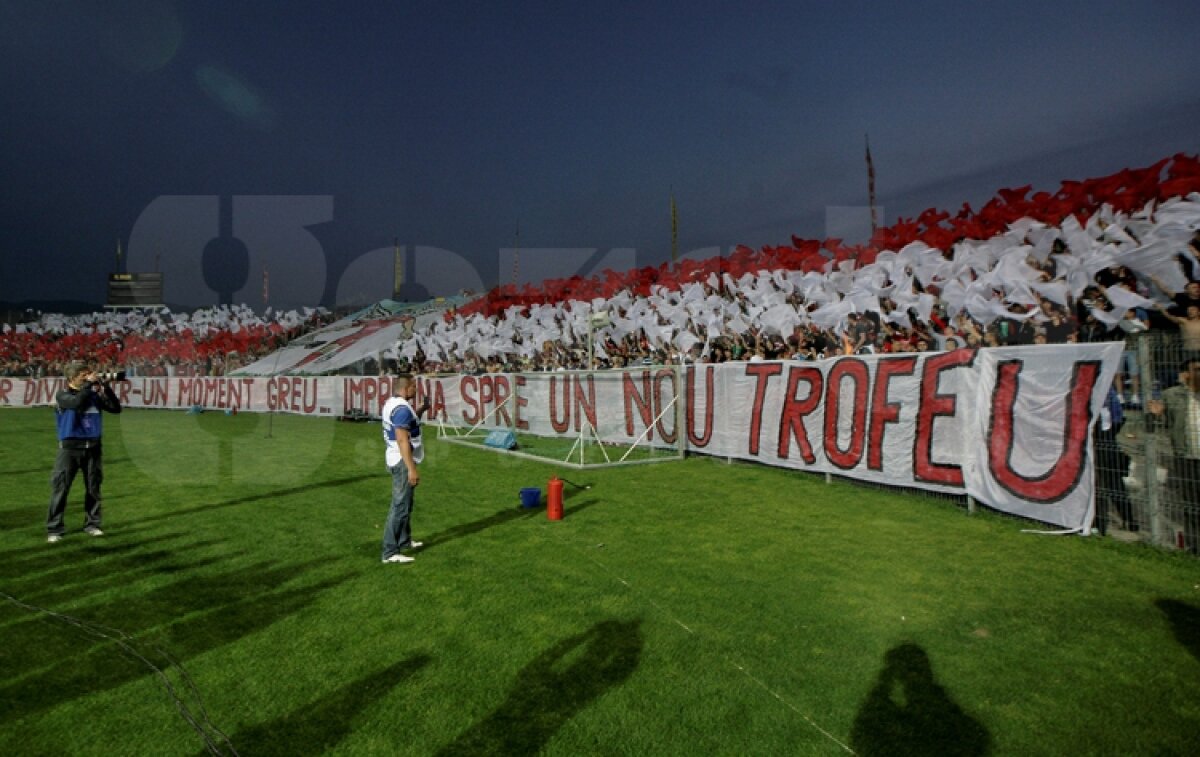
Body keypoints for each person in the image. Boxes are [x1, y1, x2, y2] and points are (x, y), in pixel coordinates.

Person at [46, 361, 122, 543]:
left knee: (93, 488)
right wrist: (89, 385)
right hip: (70, 449)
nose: (88, 377)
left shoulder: (93, 395)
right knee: (61, 488)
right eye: (83, 375)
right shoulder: (62, 395)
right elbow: (76, 402)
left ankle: (93, 524)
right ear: (72, 377)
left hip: (93, 447)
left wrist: (105, 387)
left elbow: (115, 408)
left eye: (88, 374)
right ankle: (55, 528)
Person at [1146, 358, 1200, 551]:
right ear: (1186, 374)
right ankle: (1195, 547)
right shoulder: (1173, 395)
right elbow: (1167, 426)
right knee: (1191, 505)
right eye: (1197, 370)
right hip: (1187, 458)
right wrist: (1159, 415)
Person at [380, 375, 428, 564]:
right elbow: (402, 439)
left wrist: (422, 409)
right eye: (414, 386)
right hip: (402, 461)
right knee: (400, 506)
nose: (416, 390)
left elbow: (409, 424)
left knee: (405, 504)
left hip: (396, 457)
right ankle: (390, 552)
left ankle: (404, 540)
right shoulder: (401, 409)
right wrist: (411, 469)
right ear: (406, 388)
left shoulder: (393, 404)